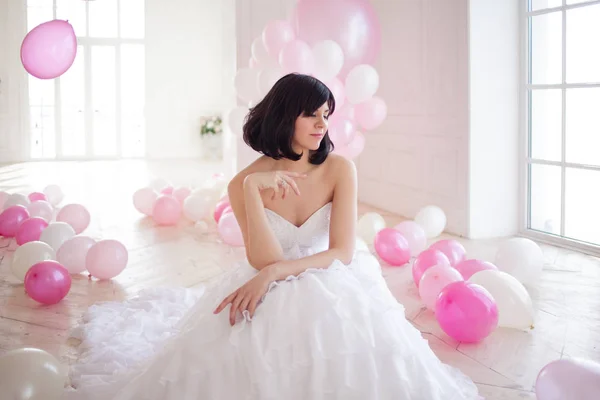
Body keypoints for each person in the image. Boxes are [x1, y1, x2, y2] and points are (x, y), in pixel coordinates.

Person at [66, 74, 481, 399]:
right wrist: (252, 191)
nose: (321, 124)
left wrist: (276, 272)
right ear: (286, 117)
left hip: (330, 276)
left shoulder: (339, 169)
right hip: (271, 276)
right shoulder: (243, 182)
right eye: (311, 115)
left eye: (325, 114)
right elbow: (262, 259)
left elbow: (341, 252)